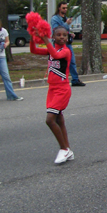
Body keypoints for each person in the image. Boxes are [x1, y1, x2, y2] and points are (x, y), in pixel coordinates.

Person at [30, 25, 74, 164]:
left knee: (50, 120)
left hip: (62, 89)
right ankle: (68, 149)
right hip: (52, 89)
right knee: (59, 118)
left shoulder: (66, 51)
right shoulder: (51, 49)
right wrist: (33, 35)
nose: (62, 37)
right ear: (53, 36)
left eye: (64, 35)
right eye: (59, 35)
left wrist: (45, 39)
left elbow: (56, 55)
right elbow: (34, 50)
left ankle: (63, 149)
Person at [0, 16, 23, 102]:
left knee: (6, 76)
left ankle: (11, 95)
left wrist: (6, 45)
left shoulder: (4, 31)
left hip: (1, 56)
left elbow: (7, 41)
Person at [50, 2, 85, 86]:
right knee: (60, 62)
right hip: (59, 44)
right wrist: (66, 24)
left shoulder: (65, 18)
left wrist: (70, 34)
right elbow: (57, 30)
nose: (65, 9)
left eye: (66, 8)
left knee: (72, 61)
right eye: (63, 8)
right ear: (59, 8)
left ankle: (75, 79)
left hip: (67, 43)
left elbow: (64, 31)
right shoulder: (55, 19)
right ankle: (59, 79)